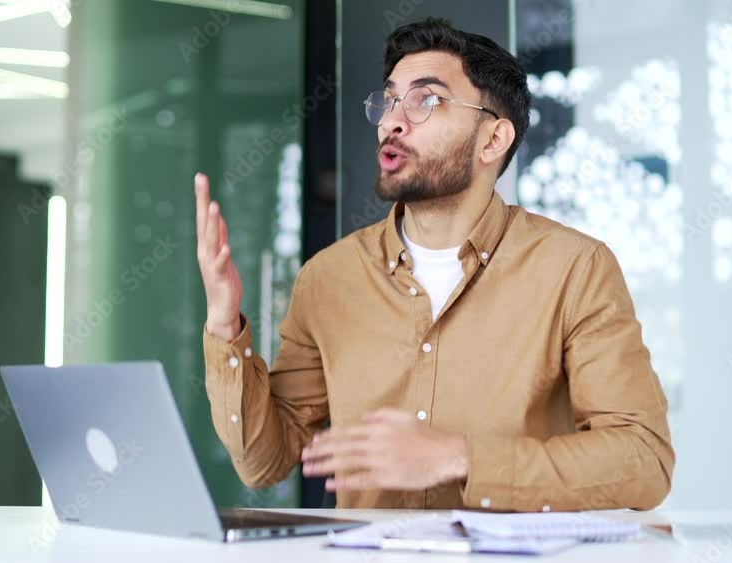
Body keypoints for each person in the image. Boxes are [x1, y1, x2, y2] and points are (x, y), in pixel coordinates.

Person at [195, 17, 674, 511]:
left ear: (493, 139)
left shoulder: (576, 269)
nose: (392, 121)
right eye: (389, 100)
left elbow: (643, 461)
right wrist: (224, 323)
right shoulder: (327, 278)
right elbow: (265, 460)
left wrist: (459, 457)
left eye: (426, 100)